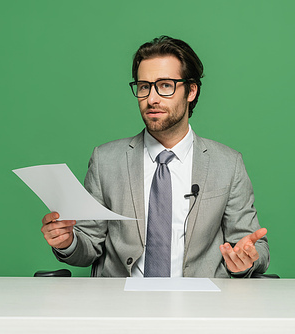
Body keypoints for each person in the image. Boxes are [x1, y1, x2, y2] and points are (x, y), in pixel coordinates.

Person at [41, 36, 269, 278]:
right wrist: (67, 242)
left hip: (201, 305)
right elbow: (88, 247)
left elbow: (255, 247)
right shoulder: (105, 161)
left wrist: (245, 260)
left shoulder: (228, 164)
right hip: (120, 304)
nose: (152, 98)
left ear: (191, 90)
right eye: (143, 86)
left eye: (166, 85)